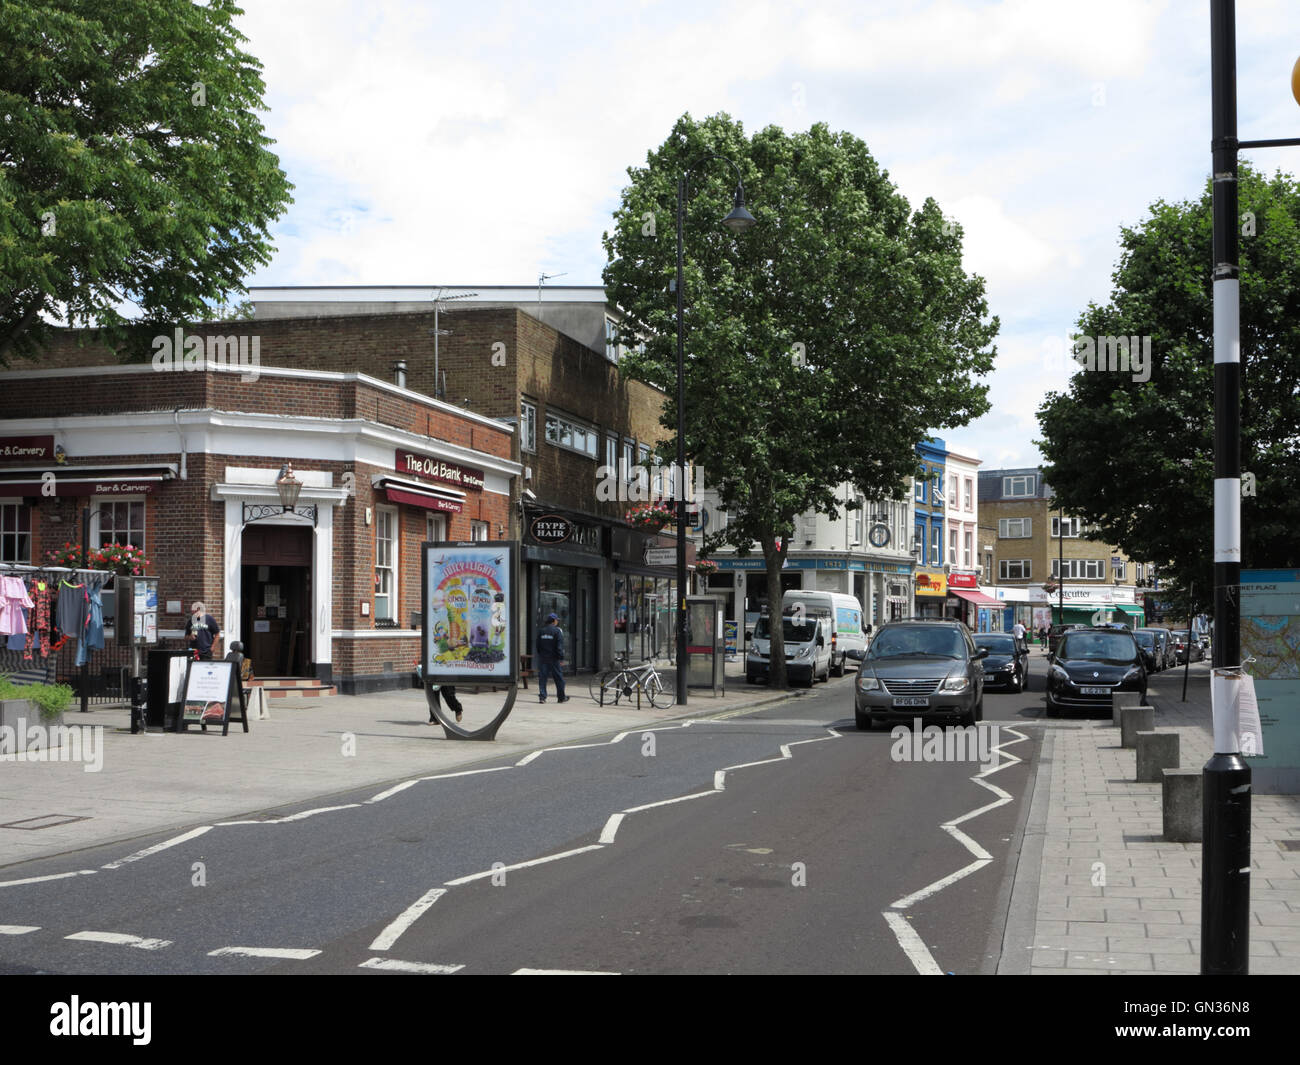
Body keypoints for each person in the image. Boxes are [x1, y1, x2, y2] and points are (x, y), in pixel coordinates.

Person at [536, 612, 568, 703]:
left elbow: (537, 646)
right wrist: (561, 658)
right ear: (554, 621)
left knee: (543, 678)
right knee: (559, 679)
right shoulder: (557, 631)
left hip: (543, 658)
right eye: (557, 620)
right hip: (554, 659)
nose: (557, 621)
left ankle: (542, 697)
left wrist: (541, 654)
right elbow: (559, 647)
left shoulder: (541, 631)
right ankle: (561, 697)